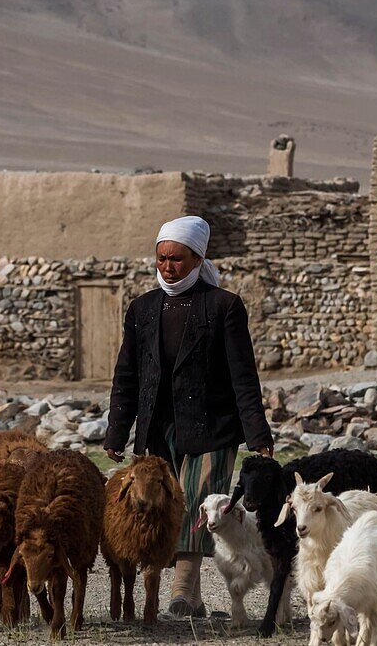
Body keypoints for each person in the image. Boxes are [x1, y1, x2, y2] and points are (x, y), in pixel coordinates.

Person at [104, 215, 274, 617]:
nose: (167, 266)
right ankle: (193, 599)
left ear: (198, 259)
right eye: (161, 258)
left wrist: (257, 434)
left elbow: (243, 375)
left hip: (211, 426)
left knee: (197, 501)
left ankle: (180, 589)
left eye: (176, 259)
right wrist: (116, 432)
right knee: (161, 505)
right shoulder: (142, 309)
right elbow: (127, 373)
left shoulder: (223, 307)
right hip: (159, 428)